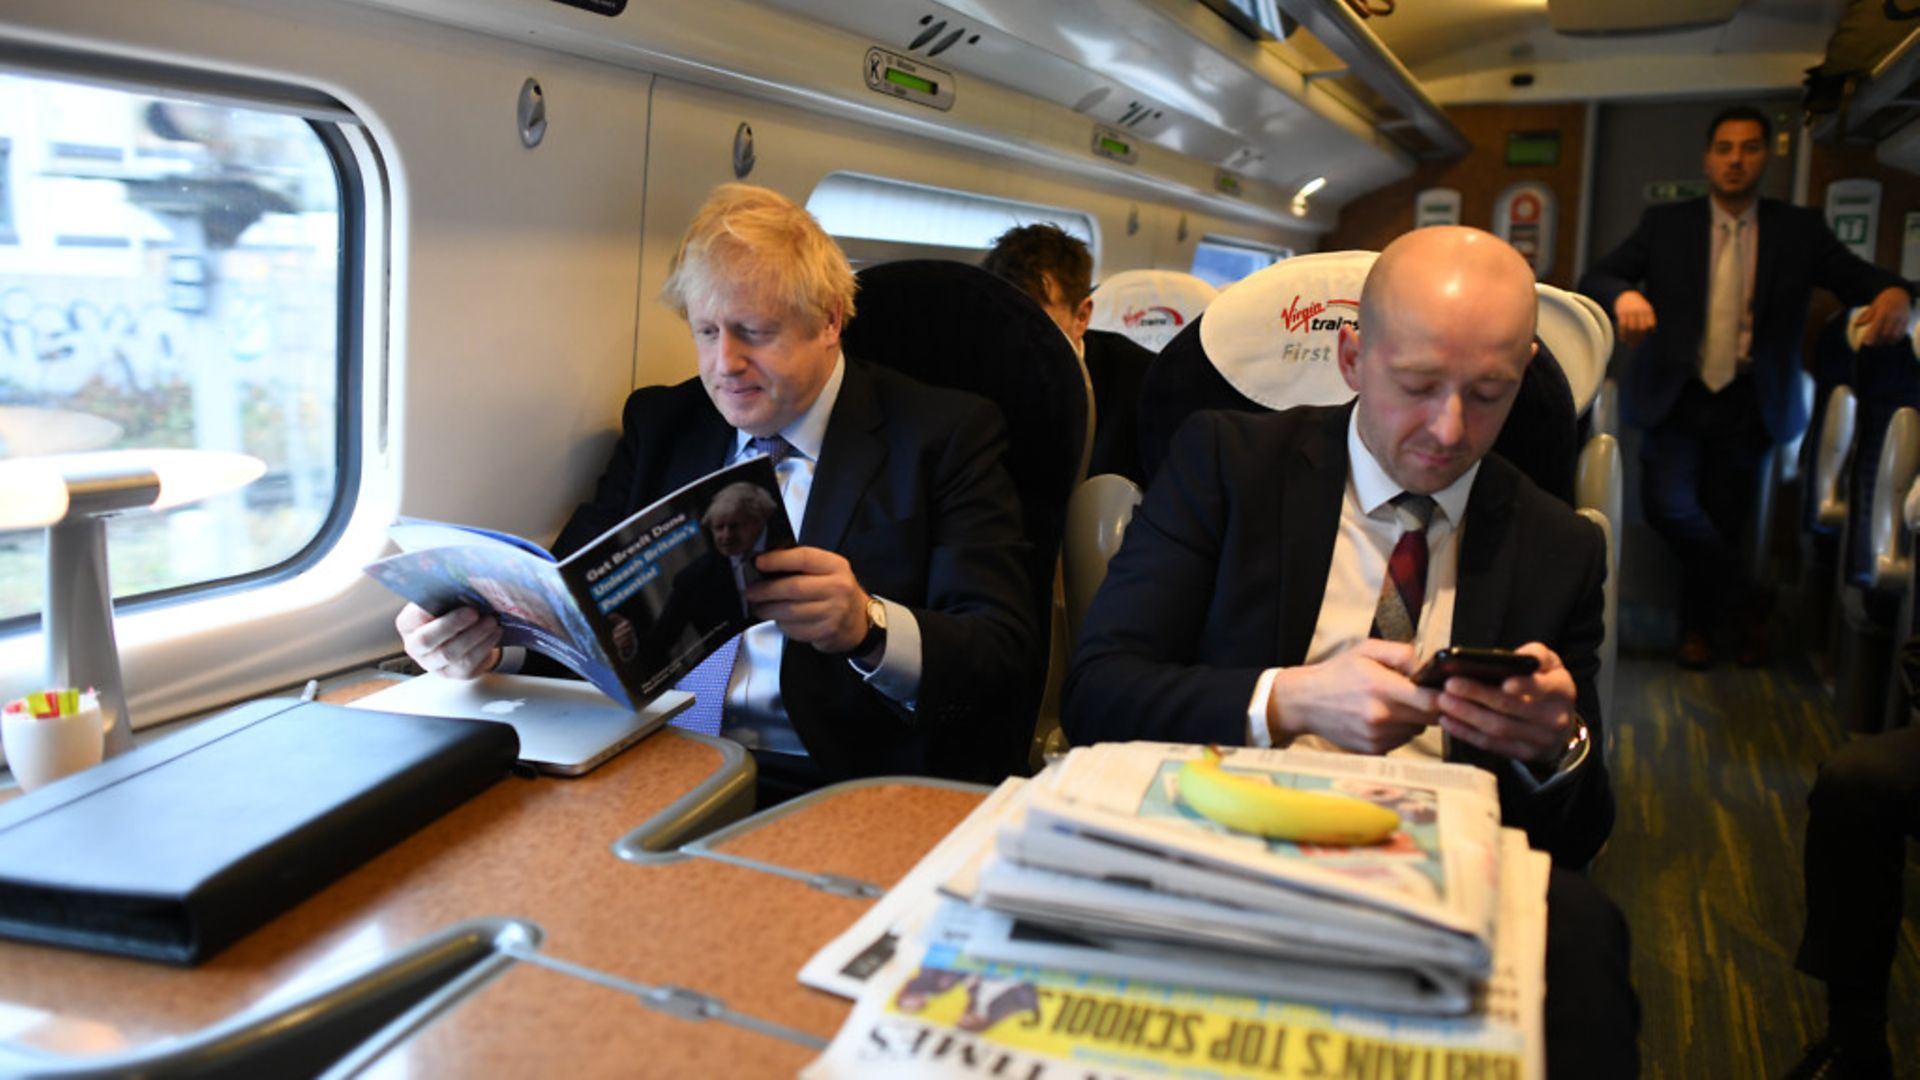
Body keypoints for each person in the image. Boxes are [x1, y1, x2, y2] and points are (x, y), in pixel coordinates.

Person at [1064, 226, 1635, 1077]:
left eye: (1489, 393)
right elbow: (1099, 693)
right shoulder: (1226, 465)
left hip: (1437, 874)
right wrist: (1288, 700)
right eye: (1417, 385)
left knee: (1588, 937)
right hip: (1229, 835)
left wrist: (1557, 748)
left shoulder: (1559, 545)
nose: (1449, 429)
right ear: (1352, 358)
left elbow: (1580, 830)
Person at [397, 182, 1039, 797]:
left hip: (829, 772)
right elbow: (573, 602)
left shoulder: (944, 435)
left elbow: (1001, 651)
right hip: (641, 751)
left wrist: (866, 627)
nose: (723, 365)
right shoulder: (663, 425)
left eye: (753, 333)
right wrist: (486, 645)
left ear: (829, 321)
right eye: (706, 332)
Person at [1579, 105, 1914, 670]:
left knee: (1724, 521)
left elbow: (1859, 278)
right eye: (1726, 149)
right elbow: (1599, 276)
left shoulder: (1798, 230)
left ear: (1766, 156)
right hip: (1676, 394)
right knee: (1669, 508)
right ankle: (1751, 600)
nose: (1736, 160)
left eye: (1749, 148)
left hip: (1751, 400)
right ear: (1709, 159)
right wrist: (1623, 296)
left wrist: (1897, 293)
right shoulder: (1667, 225)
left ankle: (1699, 632)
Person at [981, 223, 1152, 483]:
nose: (1016, 340)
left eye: (1034, 323)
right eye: (1004, 320)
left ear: (1081, 317)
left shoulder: (1140, 384)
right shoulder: (975, 370)